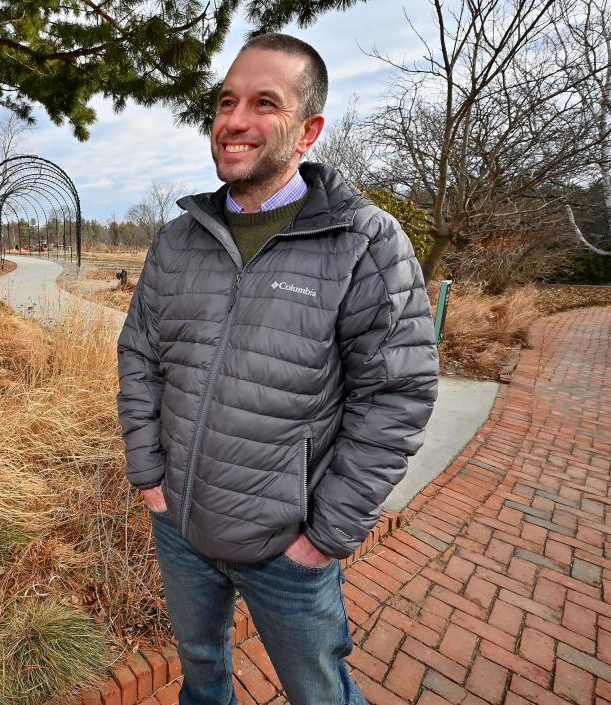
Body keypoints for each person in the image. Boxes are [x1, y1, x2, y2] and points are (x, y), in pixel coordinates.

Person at [117, 33, 439, 705]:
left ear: (308, 128)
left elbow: (397, 396)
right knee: (201, 671)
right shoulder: (179, 240)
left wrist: (324, 536)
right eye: (227, 101)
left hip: (285, 547)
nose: (235, 121)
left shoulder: (365, 242)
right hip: (181, 526)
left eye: (265, 102)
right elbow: (140, 355)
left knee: (319, 692)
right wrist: (150, 475)